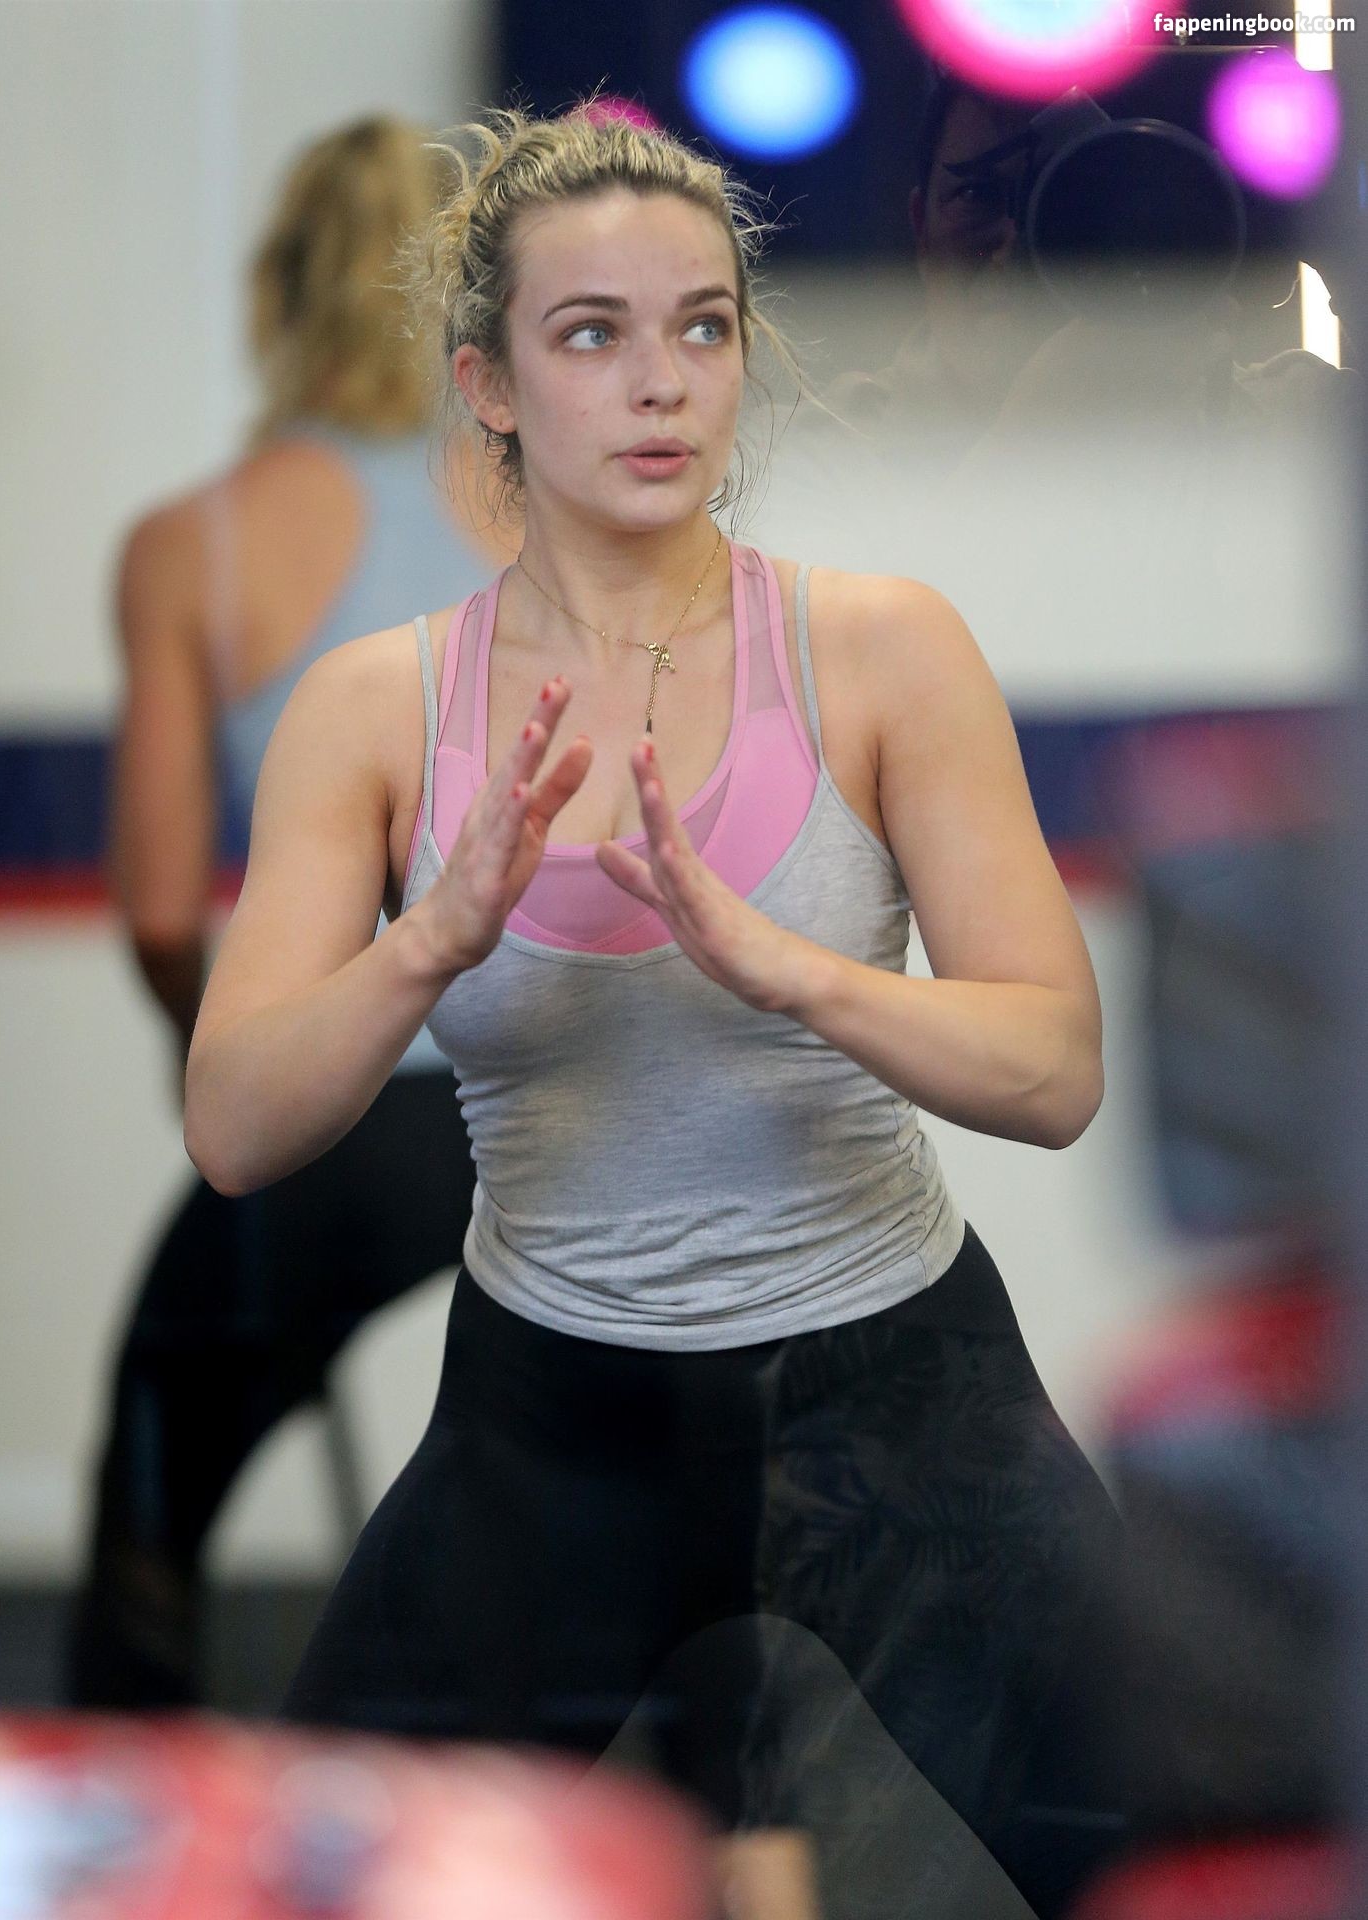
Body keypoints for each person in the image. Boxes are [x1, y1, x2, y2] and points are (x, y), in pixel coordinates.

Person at [184, 107, 1125, 1918]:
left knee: (1194, 1859)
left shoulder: (881, 650)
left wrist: (796, 971)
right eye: (592, 333)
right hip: (555, 1409)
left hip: (896, 1393)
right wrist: (428, 941)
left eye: (702, 326)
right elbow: (234, 1128)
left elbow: (1058, 1068)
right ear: (489, 383)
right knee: (298, 1882)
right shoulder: (376, 712)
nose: (660, 381)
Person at [68, 117, 497, 1710]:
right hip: (579, 1091)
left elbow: (159, 910)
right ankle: (719, 1816)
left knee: (153, 1462)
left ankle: (129, 1774)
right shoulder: (564, 508)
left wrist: (240, 1061)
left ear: (278, 290)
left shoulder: (195, 546)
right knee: (658, 1477)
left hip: (357, 1112)